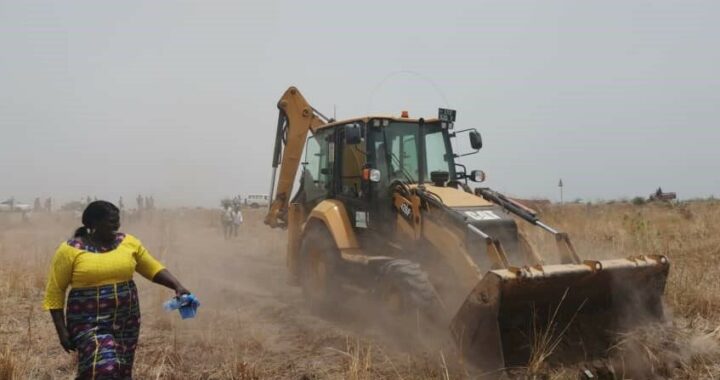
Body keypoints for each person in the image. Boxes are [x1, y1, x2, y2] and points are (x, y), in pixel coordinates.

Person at [43, 201, 190, 379]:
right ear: (93, 223)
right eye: (111, 221)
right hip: (87, 322)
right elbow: (55, 291)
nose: (116, 226)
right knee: (104, 368)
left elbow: (152, 268)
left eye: (117, 221)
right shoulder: (70, 250)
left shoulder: (128, 242)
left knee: (121, 369)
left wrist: (177, 286)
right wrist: (62, 331)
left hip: (126, 320)